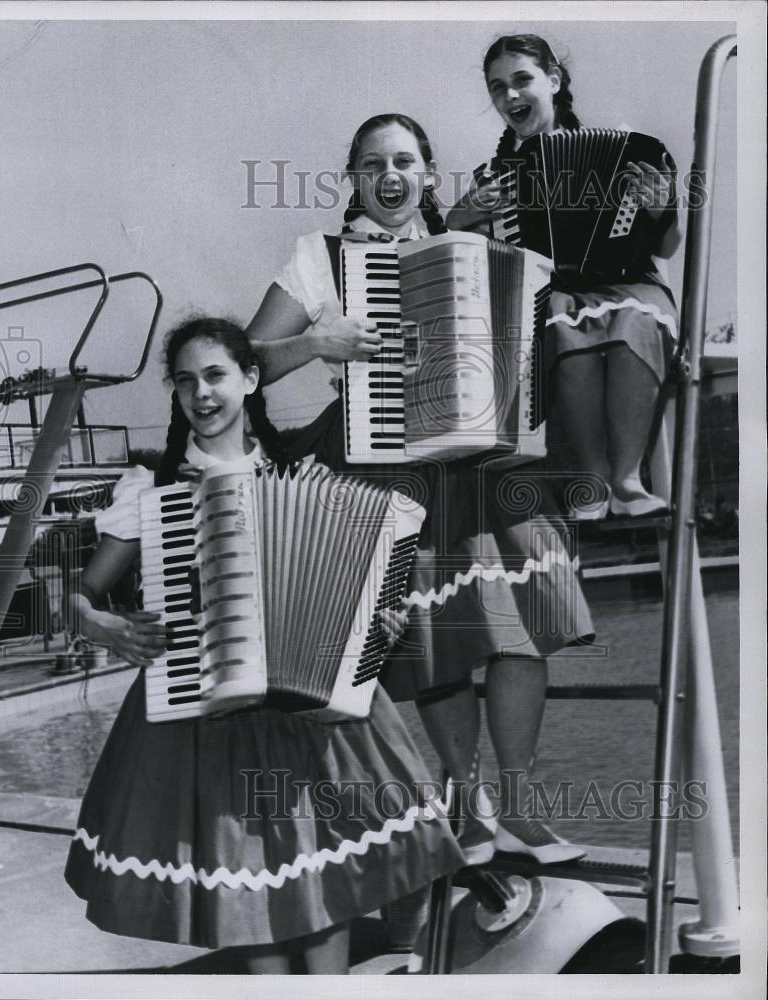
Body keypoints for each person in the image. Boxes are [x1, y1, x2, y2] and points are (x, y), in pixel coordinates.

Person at [64, 317, 466, 974]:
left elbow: (361, 601)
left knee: (324, 878)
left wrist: (378, 633)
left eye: (217, 375)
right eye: (187, 381)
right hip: (201, 709)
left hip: (310, 714)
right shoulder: (152, 492)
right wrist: (101, 624)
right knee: (246, 880)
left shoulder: (303, 476)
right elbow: (77, 598)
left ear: (250, 380)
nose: (203, 393)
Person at [246, 114, 594, 866]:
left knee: (522, 624)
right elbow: (245, 363)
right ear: (355, 178)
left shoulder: (475, 248)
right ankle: (467, 811)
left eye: (405, 162)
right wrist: (314, 343)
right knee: (440, 643)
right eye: (373, 165)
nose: (391, 177)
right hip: (386, 467)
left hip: (489, 459)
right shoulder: (320, 257)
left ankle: (518, 806)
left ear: (430, 173)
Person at [447, 34, 681, 520]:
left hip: (627, 281)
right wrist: (461, 218)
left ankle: (627, 479)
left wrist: (661, 210)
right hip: (550, 293)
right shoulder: (496, 176)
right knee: (557, 321)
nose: (509, 96)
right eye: (497, 88)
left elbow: (666, 247)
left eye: (521, 80)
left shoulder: (627, 150)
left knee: (634, 319)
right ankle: (594, 479)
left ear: (553, 81)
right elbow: (479, 264)